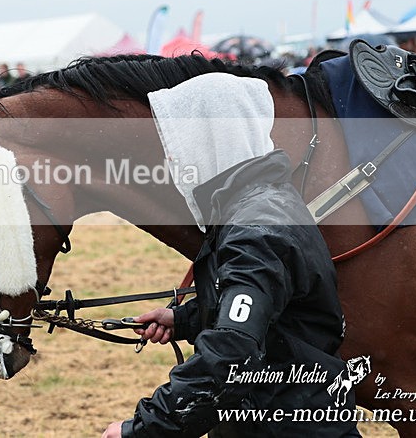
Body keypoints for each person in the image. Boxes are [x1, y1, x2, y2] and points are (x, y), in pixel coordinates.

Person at [103, 73, 358, 438]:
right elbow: (270, 306)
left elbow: (231, 352)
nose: (174, 157)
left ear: (211, 140)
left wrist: (140, 429)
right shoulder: (262, 201)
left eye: (181, 142)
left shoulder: (255, 228)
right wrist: (186, 318)